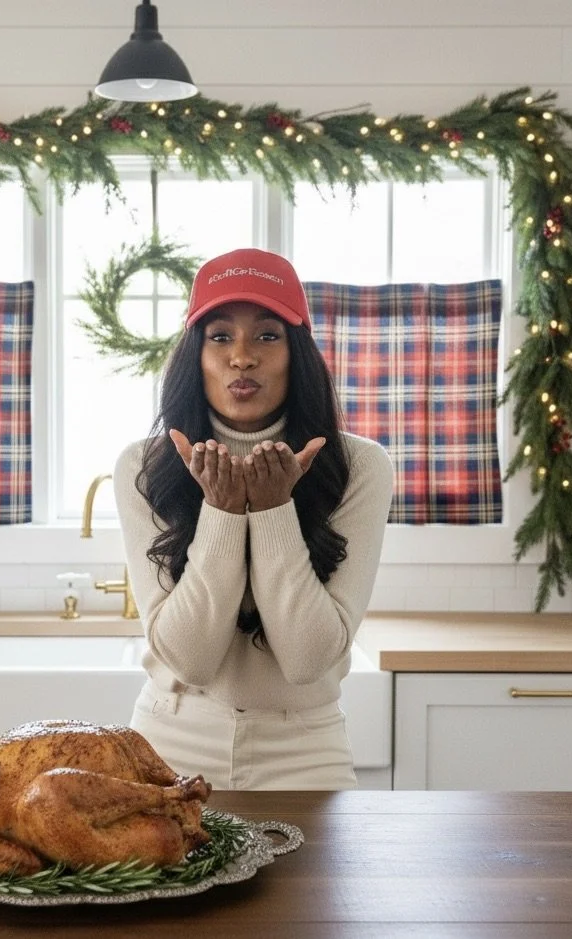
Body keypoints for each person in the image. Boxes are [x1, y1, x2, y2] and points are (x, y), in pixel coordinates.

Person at [113, 247, 394, 790]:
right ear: (195, 355)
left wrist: (271, 511)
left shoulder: (359, 466)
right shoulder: (143, 467)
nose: (242, 357)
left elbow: (307, 660)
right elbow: (190, 661)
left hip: (305, 746)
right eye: (220, 336)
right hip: (171, 738)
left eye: (267, 335)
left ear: (297, 353)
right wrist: (222, 510)